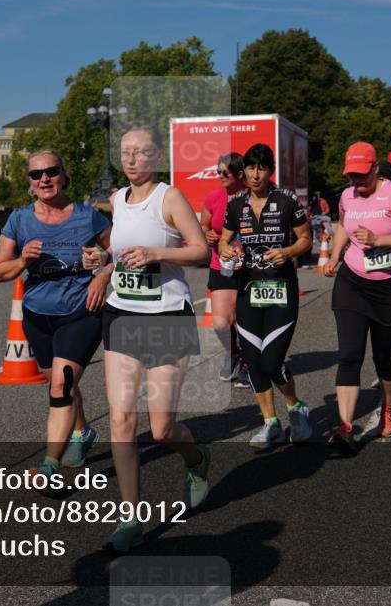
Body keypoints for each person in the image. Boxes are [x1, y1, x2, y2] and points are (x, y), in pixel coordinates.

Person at [99, 125, 210, 552]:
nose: (130, 159)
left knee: (161, 429)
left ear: (156, 156)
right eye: (125, 152)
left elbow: (200, 251)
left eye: (140, 152)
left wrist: (158, 253)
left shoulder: (170, 197)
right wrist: (102, 262)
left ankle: (196, 460)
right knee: (121, 419)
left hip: (166, 315)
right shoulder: (116, 200)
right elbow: (121, 252)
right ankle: (130, 519)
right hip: (123, 313)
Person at [0, 149, 111, 485]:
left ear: (63, 175)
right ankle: (82, 430)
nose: (44, 178)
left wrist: (103, 267)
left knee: (61, 383)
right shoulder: (19, 219)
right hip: (37, 314)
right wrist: (23, 262)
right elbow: (0, 271)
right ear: (30, 183)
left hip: (81, 309)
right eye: (36, 174)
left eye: (51, 171)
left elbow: (118, 250)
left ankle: (49, 465)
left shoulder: (89, 216)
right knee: (57, 381)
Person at [323, 142, 391, 452]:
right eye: (352, 176)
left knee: (383, 357)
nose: (356, 182)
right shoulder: (347, 195)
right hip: (352, 281)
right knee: (349, 355)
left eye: (362, 176)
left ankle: (389, 404)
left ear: (376, 169)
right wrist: (335, 255)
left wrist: (380, 239)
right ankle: (345, 426)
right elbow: (342, 225)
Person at [218, 143, 313, 451]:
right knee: (253, 361)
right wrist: (227, 250)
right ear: (243, 170)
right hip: (248, 290)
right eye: (250, 167)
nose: (255, 174)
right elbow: (223, 240)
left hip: (282, 290)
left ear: (271, 171)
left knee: (271, 362)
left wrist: (286, 252)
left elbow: (306, 239)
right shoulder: (236, 205)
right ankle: (270, 424)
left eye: (262, 168)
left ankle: (295, 406)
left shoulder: (287, 201)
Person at [200, 153, 247, 384]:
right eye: (218, 172)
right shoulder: (213, 198)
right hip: (222, 264)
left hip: (250, 267)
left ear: (240, 174)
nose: (221, 176)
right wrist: (207, 234)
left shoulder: (254, 196)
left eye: (225, 173)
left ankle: (249, 362)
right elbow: (204, 225)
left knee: (244, 319)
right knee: (221, 322)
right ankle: (232, 352)